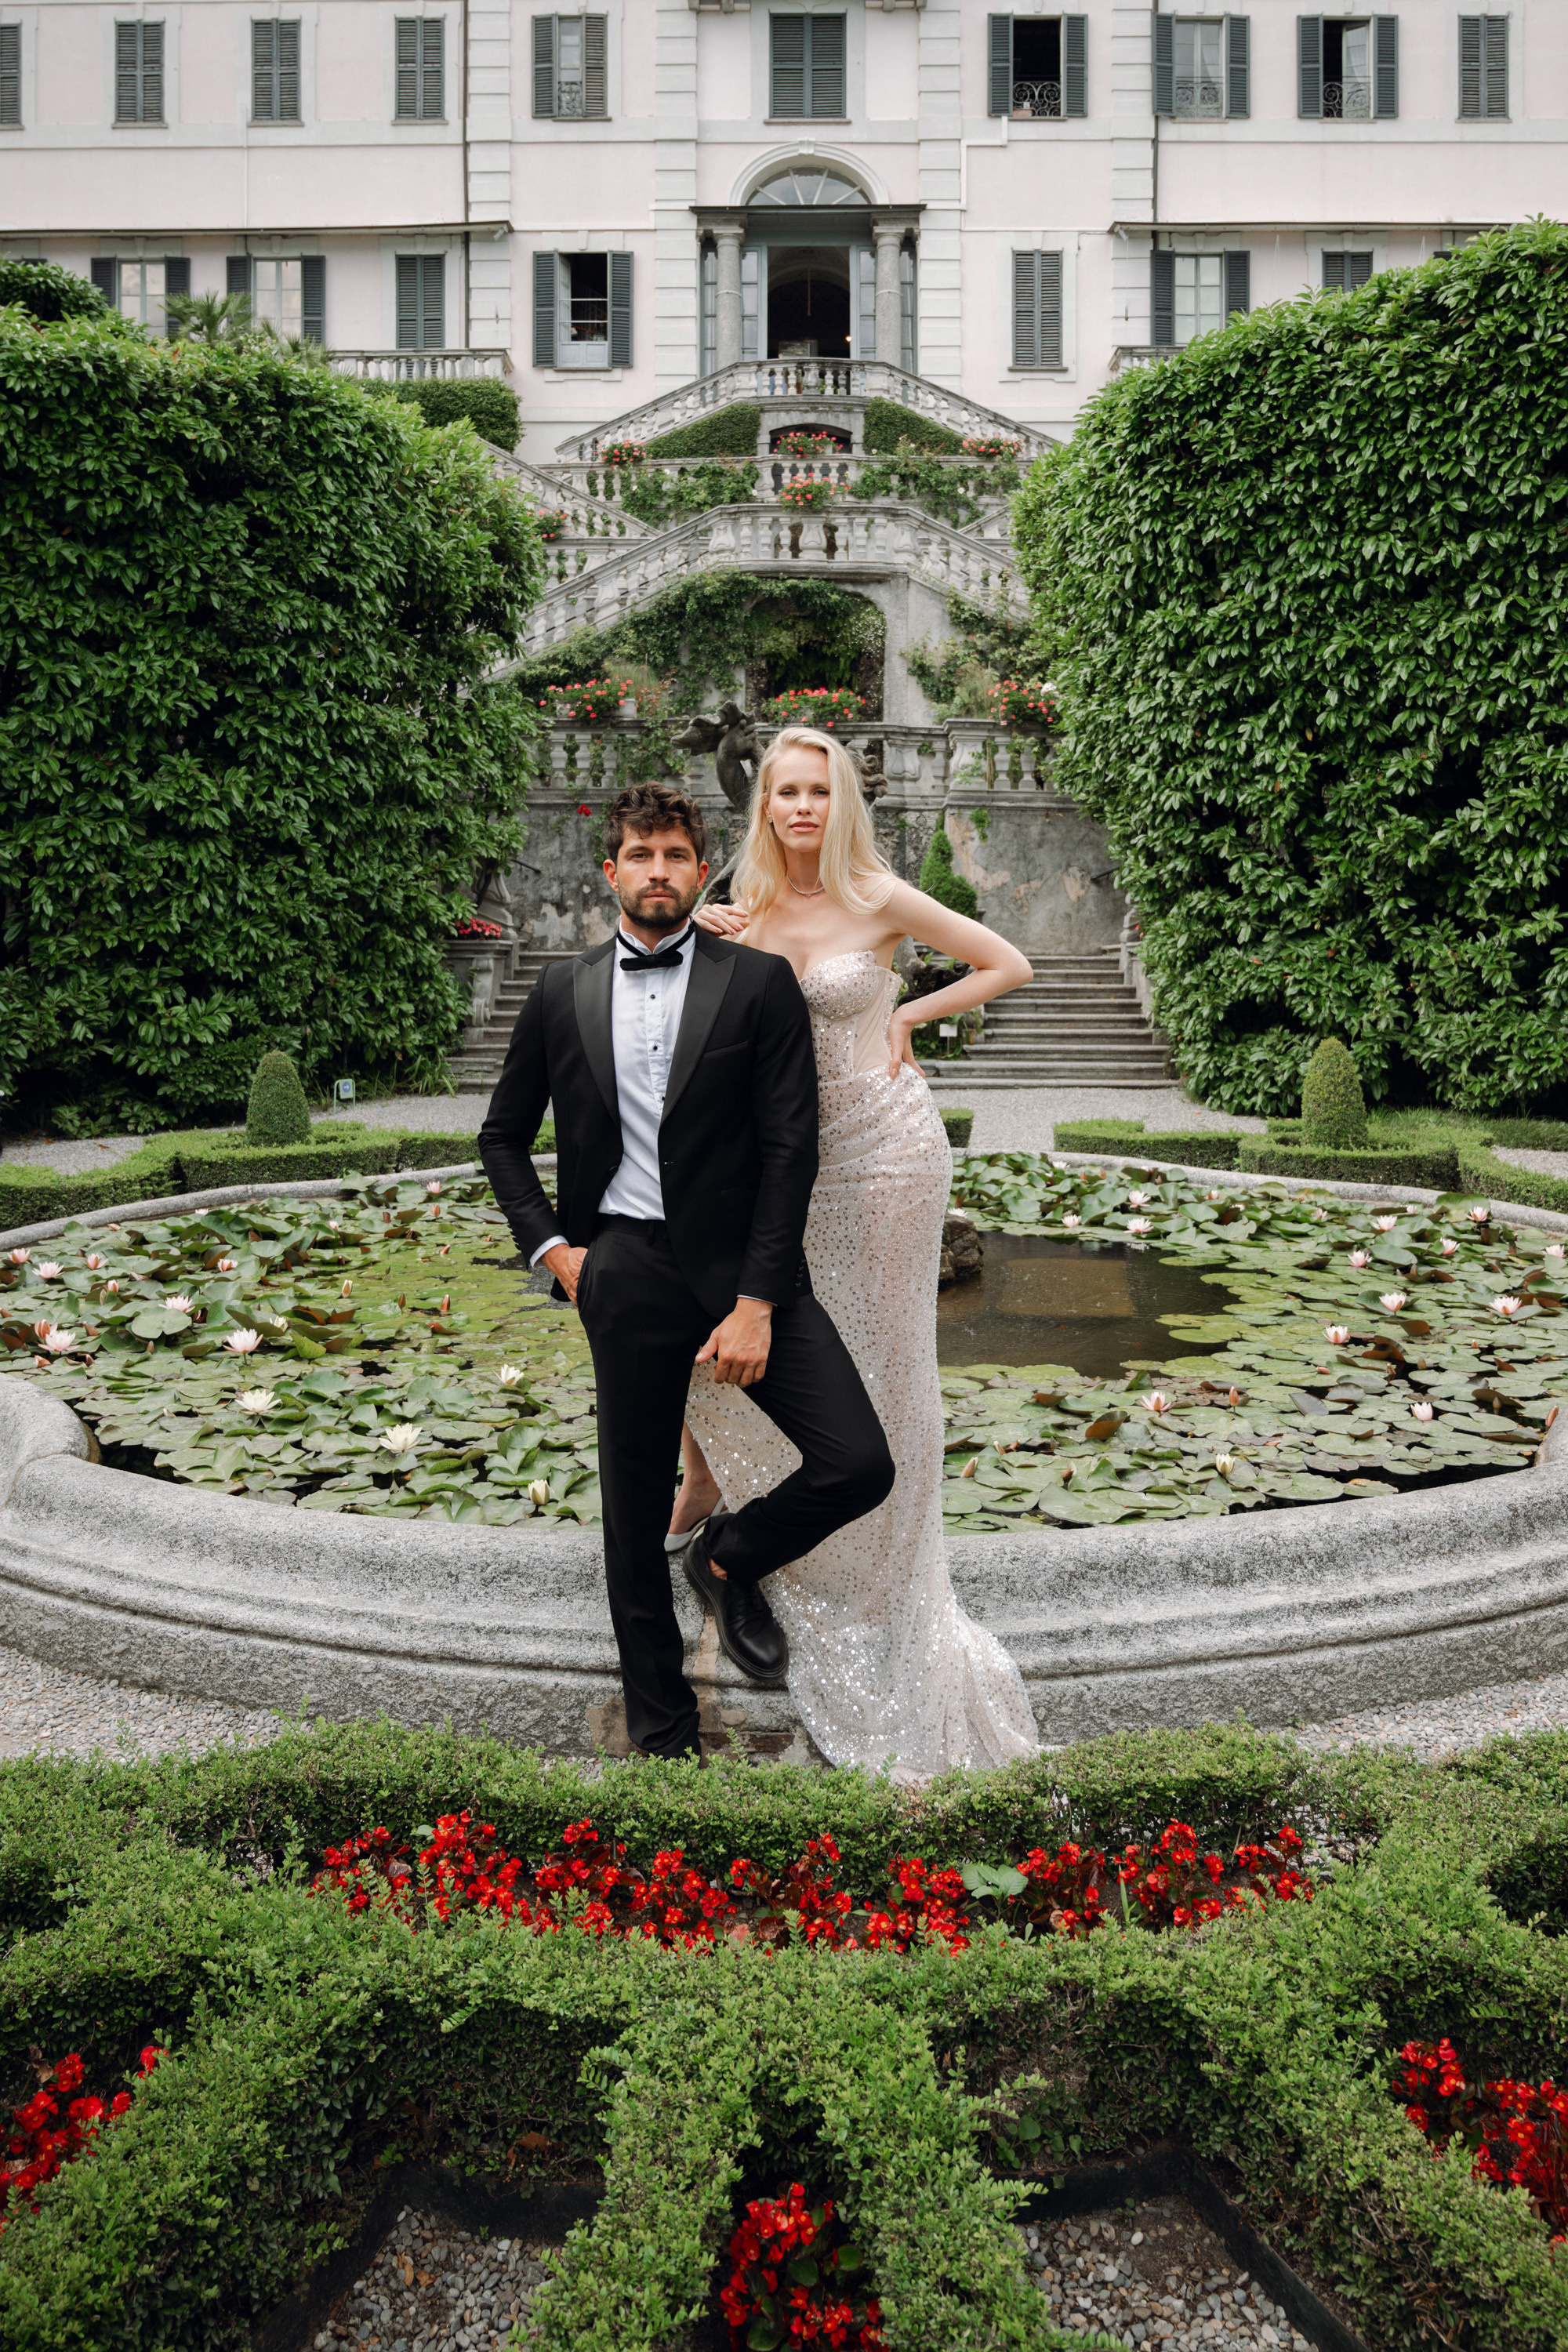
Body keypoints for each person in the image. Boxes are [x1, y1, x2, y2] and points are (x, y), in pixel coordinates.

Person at [477, 779, 895, 1763]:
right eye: (640, 854)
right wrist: (555, 1250)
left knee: (858, 1463)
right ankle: (663, 1740)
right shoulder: (560, 990)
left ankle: (727, 1555)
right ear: (610, 871)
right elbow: (501, 1137)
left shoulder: (757, 983)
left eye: (674, 855)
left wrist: (755, 1301)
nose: (657, 871)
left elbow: (790, 1150)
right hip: (619, 1269)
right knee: (630, 1515)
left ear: (701, 870)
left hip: (747, 1267)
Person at [673, 725, 1040, 1780]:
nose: (802, 807)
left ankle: (872, 1565)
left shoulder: (876, 896)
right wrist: (698, 934)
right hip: (783, 1166)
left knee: (885, 1356)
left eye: (819, 791)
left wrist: (907, 1015)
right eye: (786, 791)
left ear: (842, 804)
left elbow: (1007, 963)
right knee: (768, 1338)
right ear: (764, 805)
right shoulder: (737, 910)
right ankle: (724, 1500)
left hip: (884, 1155)